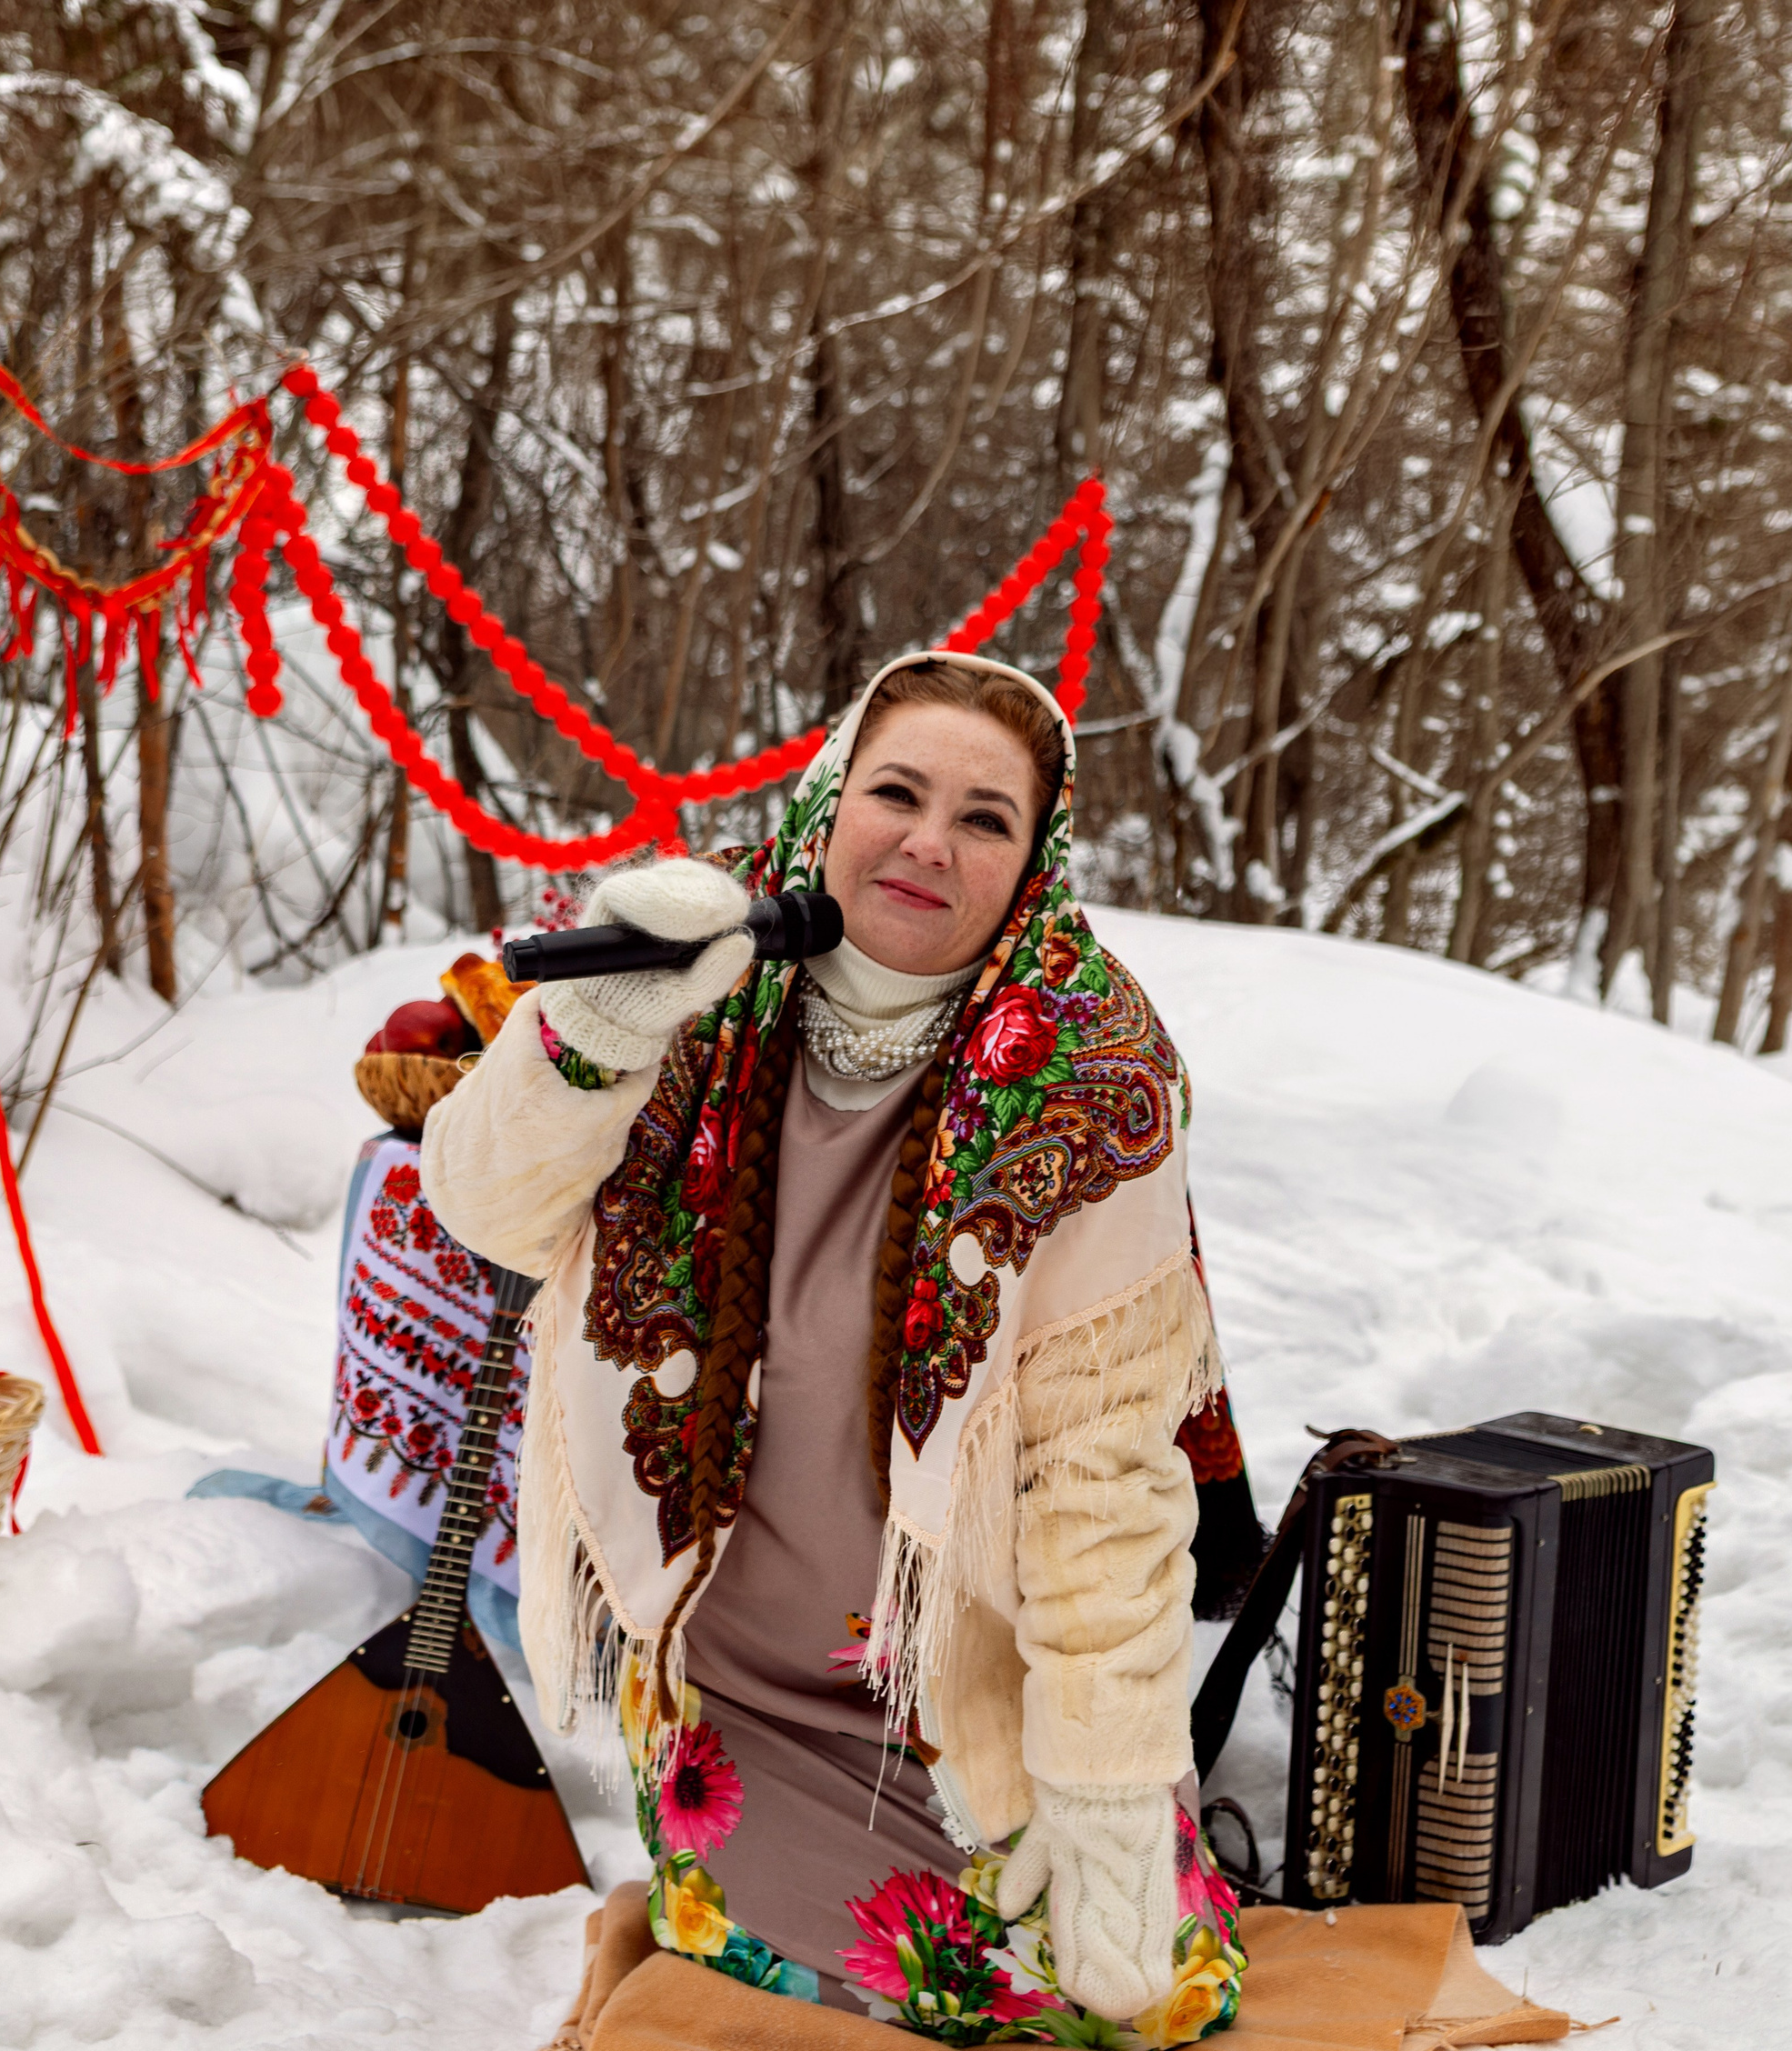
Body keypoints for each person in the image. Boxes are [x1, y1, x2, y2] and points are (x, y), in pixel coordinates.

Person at [423, 653, 1243, 2044]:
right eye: (898, 793)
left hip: (962, 1684)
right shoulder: (693, 974)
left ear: (1031, 864)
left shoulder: (1096, 1075)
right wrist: (597, 1031)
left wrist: (1106, 1797)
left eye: (985, 819)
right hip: (738, 1687)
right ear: (831, 803)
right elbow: (486, 1210)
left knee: (1147, 2010)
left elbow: (1106, 1488)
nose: (929, 842)